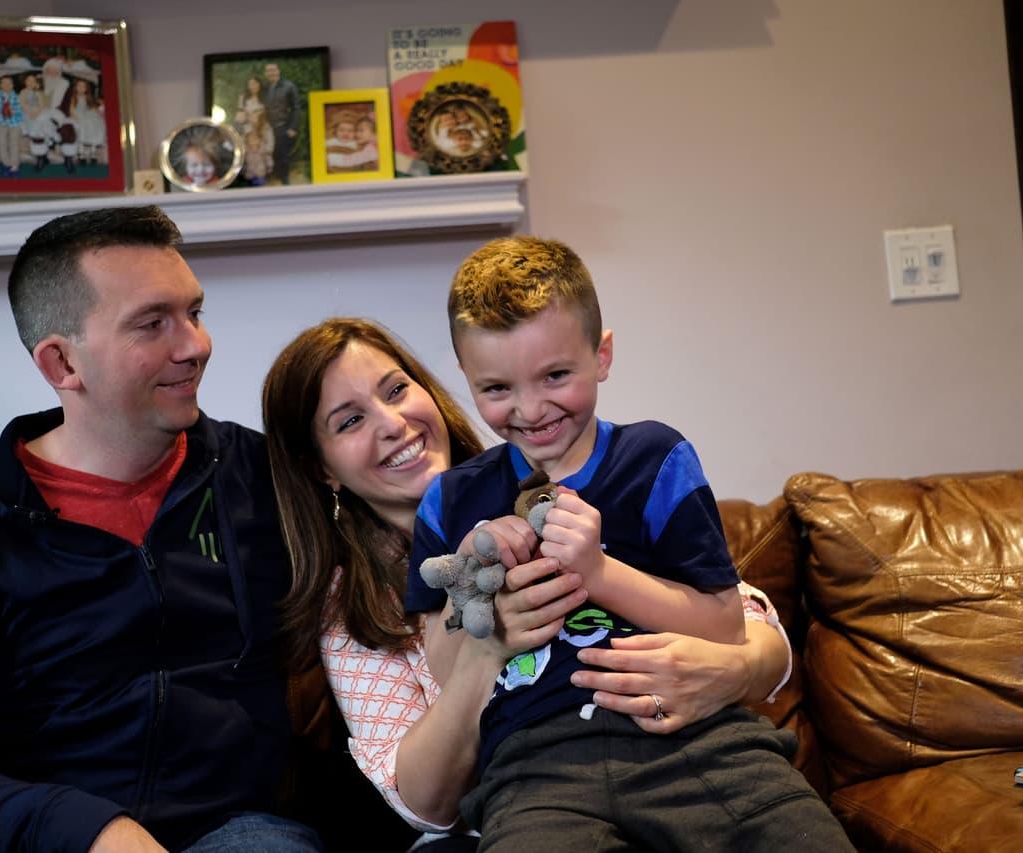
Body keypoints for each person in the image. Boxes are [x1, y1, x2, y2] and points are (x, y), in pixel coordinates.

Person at [0, 206, 323, 853]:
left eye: (195, 312)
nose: (195, 345)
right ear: (61, 363)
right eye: (153, 323)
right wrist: (87, 828)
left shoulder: (260, 479)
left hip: (237, 833)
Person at [261, 317, 802, 848]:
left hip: (676, 752)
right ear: (321, 468)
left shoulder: (544, 479)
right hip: (515, 805)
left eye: (397, 390)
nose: (392, 423)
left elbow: (745, 618)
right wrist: (486, 646)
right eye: (349, 421)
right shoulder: (349, 605)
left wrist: (738, 668)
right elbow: (426, 805)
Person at [406, 237, 855, 850]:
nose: (531, 409)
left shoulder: (655, 457)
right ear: (464, 377)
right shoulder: (451, 500)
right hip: (537, 768)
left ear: (603, 355)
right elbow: (440, 663)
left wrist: (598, 570)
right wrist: (478, 584)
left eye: (556, 375)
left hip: (697, 742)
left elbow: (725, 624)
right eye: (497, 389)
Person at [262, 62, 301, 185]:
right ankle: (274, 177)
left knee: (283, 155)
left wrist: (293, 127)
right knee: (271, 153)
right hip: (268, 128)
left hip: (283, 126)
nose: (271, 72)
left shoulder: (289, 86)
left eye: (273, 70)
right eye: (268, 70)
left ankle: (285, 181)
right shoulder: (264, 88)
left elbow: (296, 107)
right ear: (265, 73)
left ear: (278, 71)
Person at [0, 74, 24, 177]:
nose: (7, 85)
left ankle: (15, 166)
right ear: (0, 85)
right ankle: (6, 164)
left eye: (9, 83)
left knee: (14, 144)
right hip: (2, 122)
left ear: (12, 85)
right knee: (2, 143)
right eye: (4, 83)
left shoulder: (16, 96)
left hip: (14, 122)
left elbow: (21, 111)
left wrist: (15, 111)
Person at [241, 108, 275, 186]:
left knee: (260, 179)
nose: (253, 118)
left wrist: (264, 151)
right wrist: (246, 149)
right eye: (252, 115)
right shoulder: (247, 127)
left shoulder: (266, 127)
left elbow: (270, 142)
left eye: (256, 116)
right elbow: (243, 140)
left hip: (261, 156)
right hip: (249, 157)